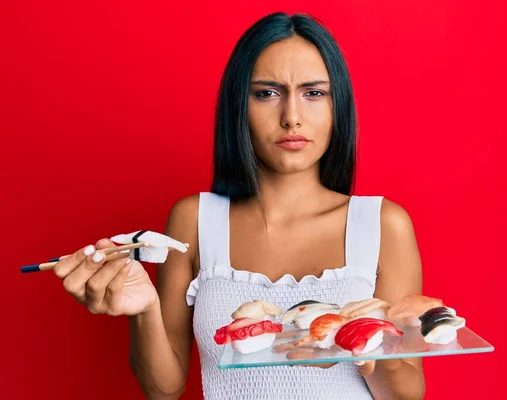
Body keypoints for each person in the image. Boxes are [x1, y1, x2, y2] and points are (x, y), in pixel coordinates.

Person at [53, 12, 425, 400]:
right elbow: (163, 390)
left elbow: (407, 393)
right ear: (238, 106)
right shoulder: (194, 219)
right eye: (267, 93)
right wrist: (145, 308)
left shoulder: (382, 224)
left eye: (314, 93)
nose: (291, 118)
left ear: (338, 106)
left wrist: (364, 350)